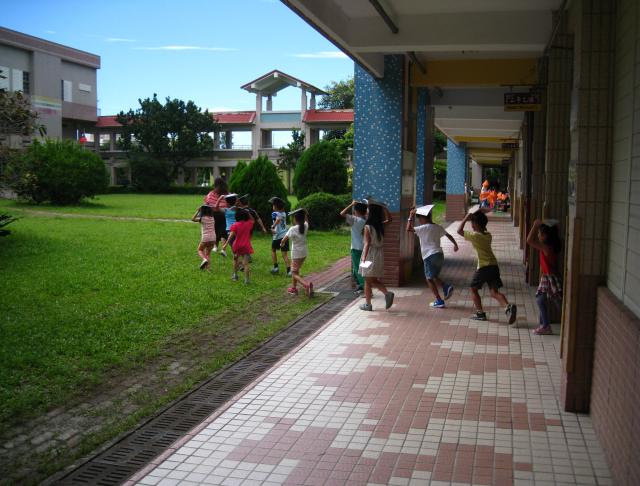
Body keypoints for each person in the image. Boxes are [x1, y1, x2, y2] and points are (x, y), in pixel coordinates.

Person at [457, 209, 517, 323]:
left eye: (472, 223)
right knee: (494, 292)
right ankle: (508, 307)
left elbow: (459, 231)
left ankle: (480, 313)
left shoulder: (475, 236)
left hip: (484, 267)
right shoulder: (488, 235)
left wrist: (466, 218)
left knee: (473, 289)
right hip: (494, 266)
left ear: (476, 224)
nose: (471, 225)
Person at [407, 204, 459, 308]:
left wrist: (410, 216)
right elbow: (448, 235)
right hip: (439, 255)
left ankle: (440, 299)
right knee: (433, 276)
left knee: (429, 278)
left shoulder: (423, 228)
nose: (419, 221)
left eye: (419, 218)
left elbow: (408, 229)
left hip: (429, 256)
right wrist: (455, 245)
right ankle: (445, 288)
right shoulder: (437, 227)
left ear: (423, 218)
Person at [526, 219, 563, 335]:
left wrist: (535, 225)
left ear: (545, 236)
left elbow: (529, 240)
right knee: (542, 300)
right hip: (549, 277)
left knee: (555, 302)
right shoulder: (551, 246)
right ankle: (544, 325)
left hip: (550, 278)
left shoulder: (546, 247)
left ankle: (546, 326)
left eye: (539, 233)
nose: (538, 235)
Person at [358, 199, 394, 312]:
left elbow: (367, 243)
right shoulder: (380, 226)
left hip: (370, 254)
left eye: (368, 209)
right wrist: (384, 208)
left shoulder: (368, 227)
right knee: (370, 279)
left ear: (371, 212)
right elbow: (390, 219)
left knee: (368, 279)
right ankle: (369, 303)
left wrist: (364, 257)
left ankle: (384, 295)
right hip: (379, 254)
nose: (367, 211)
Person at [280, 209, 313, 297]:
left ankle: (307, 285)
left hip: (296, 255)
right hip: (303, 254)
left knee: (294, 273)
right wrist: (305, 213)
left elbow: (284, 239)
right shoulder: (305, 226)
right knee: (296, 270)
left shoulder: (292, 229)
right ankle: (293, 288)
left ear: (295, 219)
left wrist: (281, 244)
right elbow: (306, 220)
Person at [340, 199, 367, 294]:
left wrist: (351, 204)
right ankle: (361, 286)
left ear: (357, 211)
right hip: (364, 247)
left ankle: (365, 288)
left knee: (357, 268)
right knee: (360, 268)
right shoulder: (366, 220)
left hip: (356, 248)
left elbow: (342, 213)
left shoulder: (355, 220)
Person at [221, 208, 254, 284]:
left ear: (236, 216)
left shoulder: (235, 225)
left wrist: (225, 245)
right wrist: (247, 213)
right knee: (246, 264)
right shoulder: (249, 224)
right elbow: (252, 219)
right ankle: (247, 280)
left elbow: (231, 236)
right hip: (246, 246)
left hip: (237, 246)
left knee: (235, 260)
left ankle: (235, 275)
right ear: (246, 216)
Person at [204, 178, 228, 253]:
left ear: (219, 186)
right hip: (213, 215)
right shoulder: (211, 193)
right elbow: (206, 203)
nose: (214, 188)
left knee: (223, 232)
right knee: (214, 231)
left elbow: (229, 204)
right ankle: (215, 246)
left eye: (215, 186)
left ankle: (223, 249)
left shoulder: (226, 194)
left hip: (223, 215)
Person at [269, 197, 291, 277]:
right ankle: (289, 271)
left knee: (273, 250)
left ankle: (276, 268)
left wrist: (272, 226)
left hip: (277, 236)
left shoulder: (274, 213)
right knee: (284, 254)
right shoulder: (284, 214)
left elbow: (277, 220)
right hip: (285, 235)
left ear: (275, 206)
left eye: (273, 205)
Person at [191, 204, 216, 271]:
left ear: (202, 211)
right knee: (208, 254)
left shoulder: (202, 218)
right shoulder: (212, 218)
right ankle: (208, 269)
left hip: (205, 238)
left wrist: (198, 211)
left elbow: (192, 219)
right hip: (213, 238)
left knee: (200, 250)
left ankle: (204, 259)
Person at [215, 193, 238, 258]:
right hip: (238, 228)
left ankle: (236, 257)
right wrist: (236, 197)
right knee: (237, 243)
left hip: (229, 229)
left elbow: (216, 207)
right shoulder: (236, 209)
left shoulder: (226, 210)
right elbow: (238, 203)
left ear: (227, 203)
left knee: (232, 244)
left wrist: (220, 198)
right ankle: (240, 256)